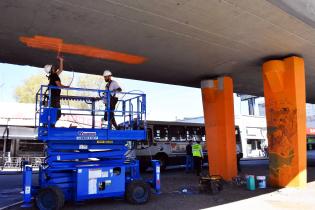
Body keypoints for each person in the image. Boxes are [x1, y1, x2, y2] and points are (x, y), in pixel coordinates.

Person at [44, 56, 69, 127]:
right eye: (53, 68)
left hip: (53, 97)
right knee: (57, 113)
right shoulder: (54, 75)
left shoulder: (53, 75)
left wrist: (61, 60)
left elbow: (60, 70)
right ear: (51, 70)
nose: (54, 68)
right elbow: (59, 85)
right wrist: (66, 87)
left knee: (55, 113)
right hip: (54, 98)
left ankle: (51, 125)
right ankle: (51, 125)